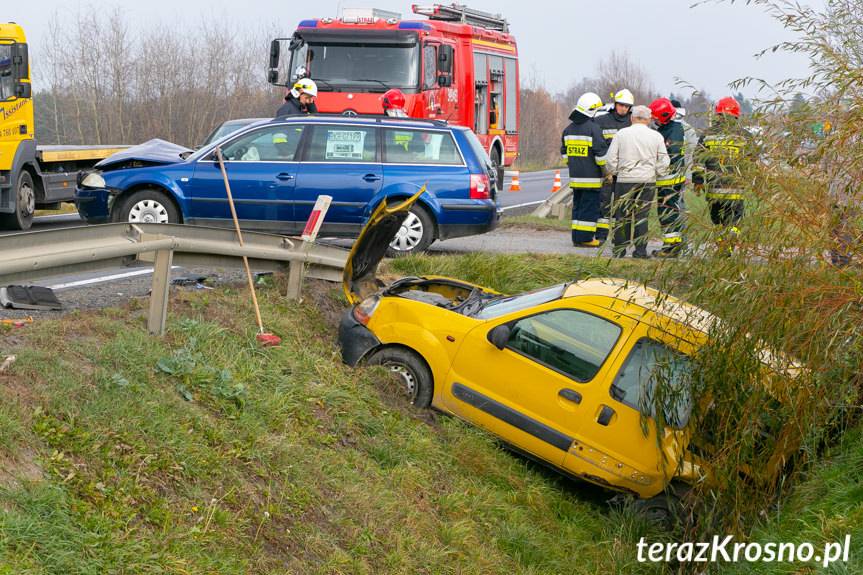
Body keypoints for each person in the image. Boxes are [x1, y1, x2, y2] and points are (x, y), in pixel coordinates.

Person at [605, 105, 670, 258]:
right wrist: (656, 173)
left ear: (632, 118)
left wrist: (616, 172)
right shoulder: (656, 136)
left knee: (622, 215)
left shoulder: (621, 134)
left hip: (625, 180)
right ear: (648, 119)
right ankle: (640, 251)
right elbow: (664, 161)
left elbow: (610, 159)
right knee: (642, 216)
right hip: (647, 181)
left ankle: (620, 249)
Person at [692, 97, 747, 249]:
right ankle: (730, 241)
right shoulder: (744, 136)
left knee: (718, 221)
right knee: (734, 220)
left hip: (714, 188)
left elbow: (698, 160)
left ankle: (723, 246)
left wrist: (698, 181)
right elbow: (752, 160)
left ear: (718, 114)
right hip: (736, 188)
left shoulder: (707, 135)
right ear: (736, 115)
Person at [561, 92, 609, 247]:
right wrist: (607, 172)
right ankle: (586, 239)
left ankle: (577, 238)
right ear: (591, 110)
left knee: (578, 209)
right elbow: (601, 157)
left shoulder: (568, 130)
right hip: (591, 180)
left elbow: (565, 154)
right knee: (589, 210)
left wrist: (575, 165)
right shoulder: (593, 129)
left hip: (575, 178)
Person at [593, 88, 634, 242]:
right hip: (606, 170)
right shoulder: (601, 121)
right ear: (615, 104)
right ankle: (601, 236)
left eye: (626, 106)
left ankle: (619, 238)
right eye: (621, 105)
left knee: (622, 205)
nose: (623, 108)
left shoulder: (633, 122)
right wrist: (605, 170)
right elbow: (597, 145)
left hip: (626, 171)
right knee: (603, 204)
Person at [649, 97, 687, 257]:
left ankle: (672, 247)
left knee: (668, 212)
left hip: (670, 179)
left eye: (656, 118)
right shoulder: (668, 128)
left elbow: (672, 153)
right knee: (666, 211)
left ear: (664, 116)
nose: (654, 121)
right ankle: (672, 244)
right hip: (667, 178)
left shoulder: (674, 130)